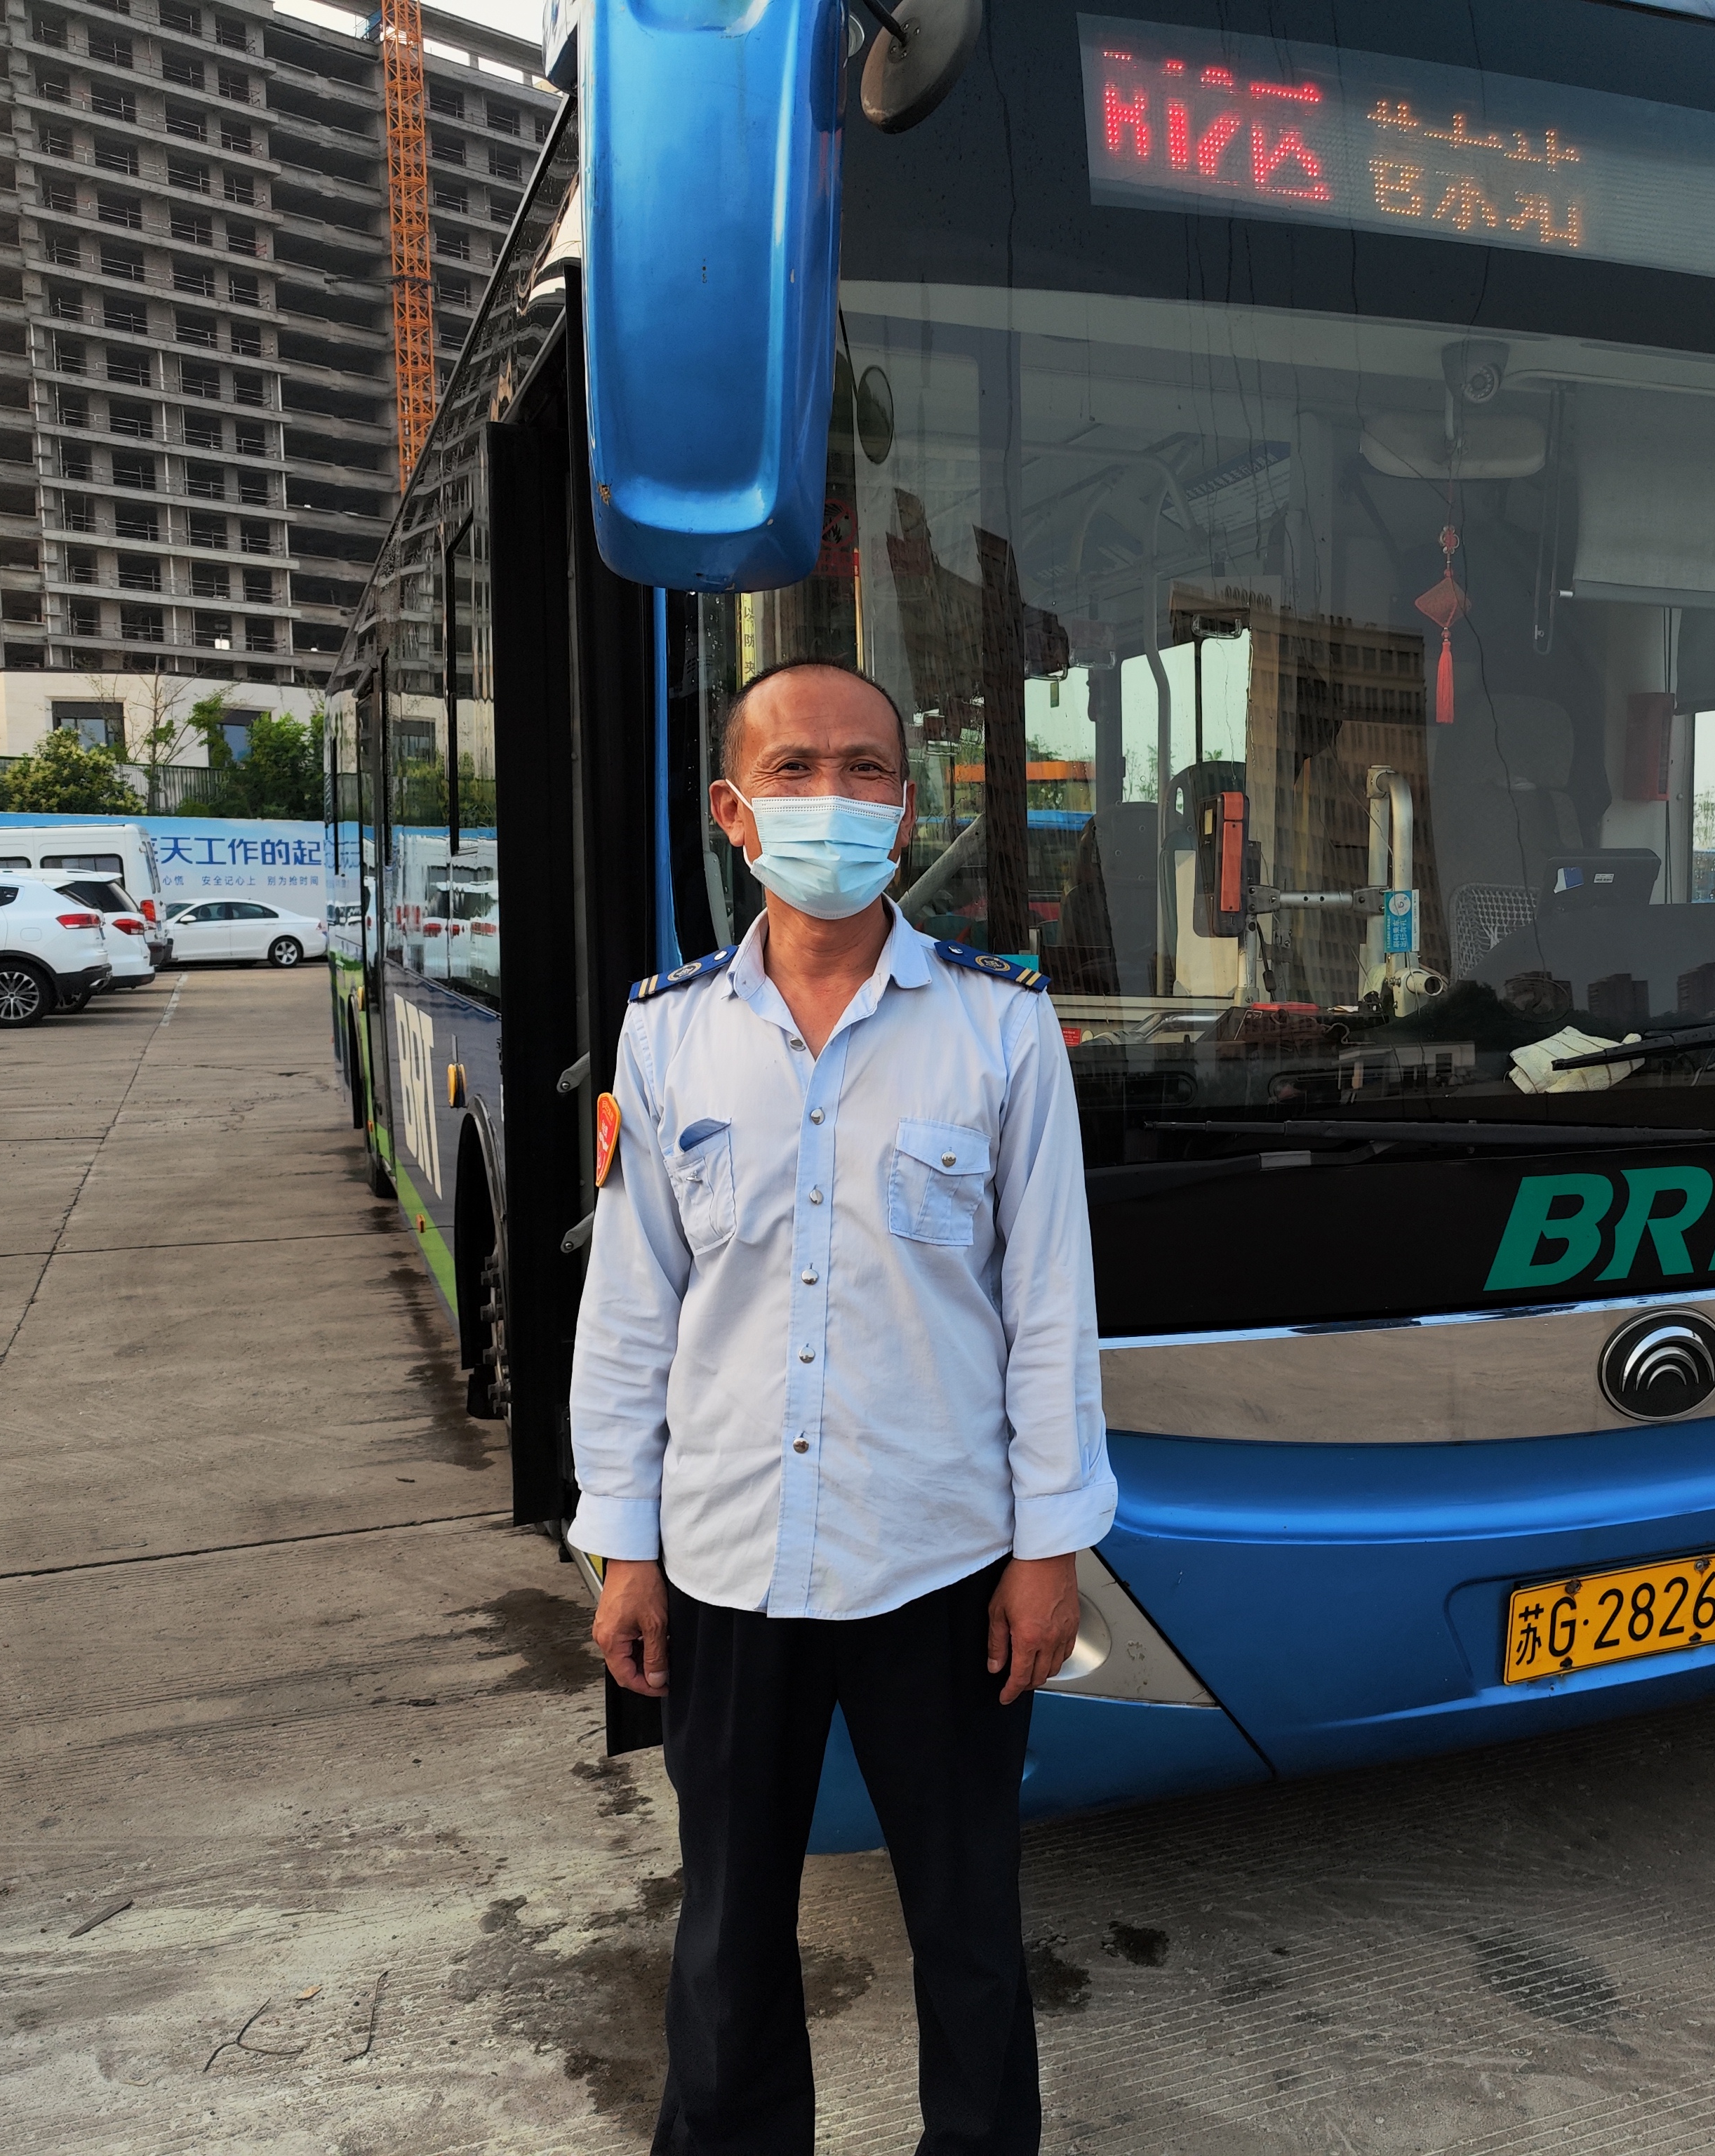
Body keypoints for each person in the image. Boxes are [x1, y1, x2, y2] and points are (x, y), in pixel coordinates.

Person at [568, 656, 1114, 2156]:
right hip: (727, 1560)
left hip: (938, 1561)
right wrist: (623, 1546)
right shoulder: (668, 1035)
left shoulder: (998, 1029)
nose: (833, 798)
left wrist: (1049, 1548)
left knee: (969, 1924)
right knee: (727, 1931)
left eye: (865, 768)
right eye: (794, 770)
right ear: (731, 812)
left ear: (906, 806)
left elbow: (1049, 1309)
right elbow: (632, 1311)